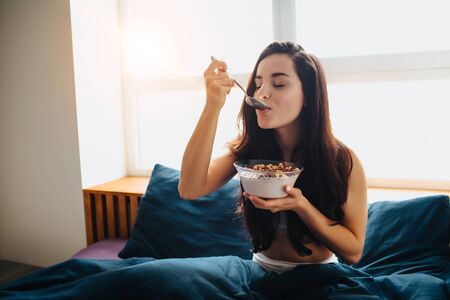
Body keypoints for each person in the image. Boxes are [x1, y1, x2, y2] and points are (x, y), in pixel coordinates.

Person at [178, 41, 367, 274]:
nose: (262, 92)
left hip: (321, 276)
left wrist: (301, 206)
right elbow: (189, 188)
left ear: (308, 95)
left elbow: (354, 251)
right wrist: (212, 105)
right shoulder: (249, 150)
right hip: (259, 273)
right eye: (258, 84)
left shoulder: (341, 160)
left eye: (278, 84)